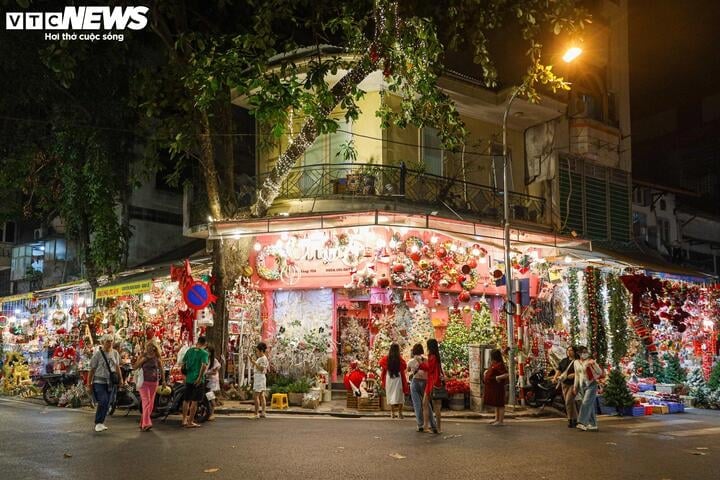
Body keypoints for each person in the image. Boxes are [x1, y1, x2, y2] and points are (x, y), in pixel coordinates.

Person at [88, 334, 124, 433]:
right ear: (103, 342)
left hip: (110, 382)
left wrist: (121, 379)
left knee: (107, 402)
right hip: (99, 381)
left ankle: (101, 422)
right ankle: (98, 422)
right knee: (103, 400)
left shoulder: (115, 353)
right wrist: (89, 384)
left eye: (111, 341)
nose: (110, 343)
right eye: (108, 341)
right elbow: (92, 369)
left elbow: (117, 367)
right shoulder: (98, 354)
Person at [133, 341, 165, 432]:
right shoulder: (143, 356)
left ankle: (143, 422)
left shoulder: (157, 357)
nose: (149, 348)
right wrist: (143, 360)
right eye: (147, 346)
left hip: (154, 383)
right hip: (143, 383)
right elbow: (135, 367)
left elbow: (161, 369)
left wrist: (163, 381)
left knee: (150, 404)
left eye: (151, 346)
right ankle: (147, 423)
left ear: (154, 348)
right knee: (146, 402)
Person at [180, 336, 209, 428]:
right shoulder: (204, 353)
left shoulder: (190, 351)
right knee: (195, 401)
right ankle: (190, 421)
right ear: (205, 344)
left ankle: (184, 419)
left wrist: (185, 376)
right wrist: (199, 378)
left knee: (186, 399)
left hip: (189, 378)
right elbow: (204, 365)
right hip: (197, 380)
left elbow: (183, 363)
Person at [407, 343, 437, 432]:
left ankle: (420, 425)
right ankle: (433, 424)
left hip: (415, 382)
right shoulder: (426, 360)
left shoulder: (411, 361)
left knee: (417, 405)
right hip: (425, 382)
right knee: (427, 405)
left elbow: (408, 370)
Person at [574, 346, 602, 432]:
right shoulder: (576, 362)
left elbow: (600, 372)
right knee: (589, 404)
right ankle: (593, 424)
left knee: (585, 403)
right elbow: (577, 375)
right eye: (583, 352)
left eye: (586, 352)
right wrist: (575, 386)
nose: (585, 353)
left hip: (591, 384)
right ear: (578, 353)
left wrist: (593, 364)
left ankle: (582, 422)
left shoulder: (590, 361)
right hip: (582, 385)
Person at [419, 338, 443, 434]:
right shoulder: (436, 356)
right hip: (434, 382)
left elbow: (429, 368)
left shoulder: (432, 356)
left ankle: (435, 427)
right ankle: (431, 426)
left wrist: (421, 364)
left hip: (432, 383)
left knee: (429, 404)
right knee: (433, 405)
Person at [379, 343, 409, 419]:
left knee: (391, 394)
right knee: (400, 395)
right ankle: (400, 413)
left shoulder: (386, 358)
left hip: (389, 377)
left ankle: (392, 413)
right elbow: (404, 366)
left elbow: (381, 362)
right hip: (398, 378)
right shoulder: (399, 359)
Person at [553, 345, 578, 428]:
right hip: (564, 383)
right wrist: (555, 377)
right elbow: (559, 370)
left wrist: (574, 375)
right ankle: (575, 419)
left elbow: (581, 372)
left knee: (568, 401)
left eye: (571, 350)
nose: (569, 352)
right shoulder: (564, 361)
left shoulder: (577, 362)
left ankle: (570, 419)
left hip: (573, 384)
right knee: (570, 403)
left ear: (574, 352)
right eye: (568, 350)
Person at [484, 349, 509, 426]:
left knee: (500, 404)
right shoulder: (494, 363)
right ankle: (496, 418)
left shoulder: (500, 364)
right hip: (493, 387)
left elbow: (506, 374)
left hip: (498, 387)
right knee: (496, 403)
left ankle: (500, 421)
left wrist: (497, 378)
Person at [250, 342, 269, 419]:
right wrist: (253, 361)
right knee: (261, 395)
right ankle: (263, 412)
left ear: (261, 351)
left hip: (259, 377)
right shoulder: (261, 358)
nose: (256, 353)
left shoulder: (263, 359)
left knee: (256, 395)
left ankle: (256, 413)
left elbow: (261, 369)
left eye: (257, 351)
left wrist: (254, 362)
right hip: (260, 377)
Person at [206, 346, 222, 421]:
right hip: (206, 380)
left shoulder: (214, 361)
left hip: (212, 381)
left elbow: (214, 372)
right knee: (208, 397)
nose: (206, 352)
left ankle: (212, 413)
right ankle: (208, 413)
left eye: (208, 351)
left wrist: (206, 373)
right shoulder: (205, 359)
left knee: (210, 396)